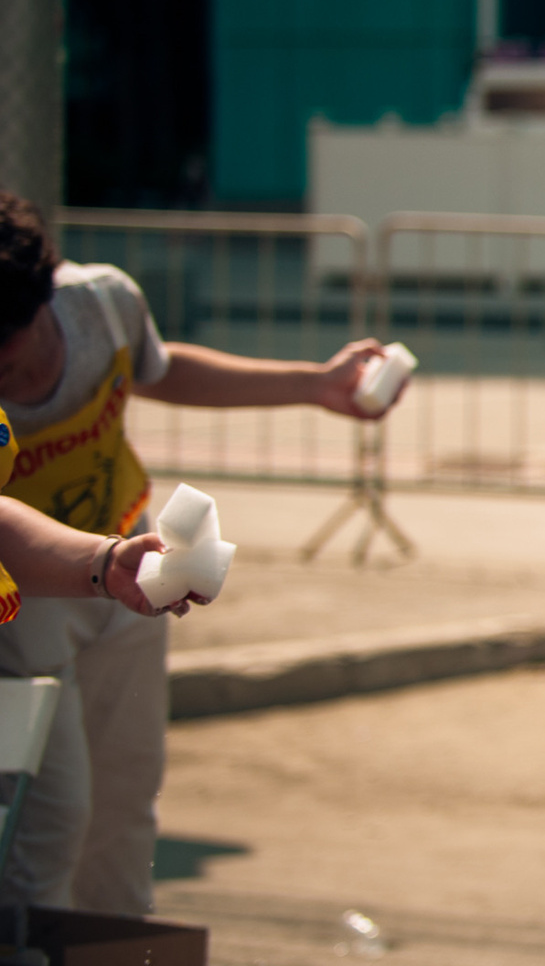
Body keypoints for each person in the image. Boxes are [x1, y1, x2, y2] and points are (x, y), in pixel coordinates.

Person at [0, 192, 403, 913]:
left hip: (127, 564)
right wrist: (99, 562)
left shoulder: (101, 305)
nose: (8, 366)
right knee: (50, 819)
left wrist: (313, 384)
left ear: (44, 297)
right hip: (26, 595)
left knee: (125, 800)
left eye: (13, 341)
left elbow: (160, 368)